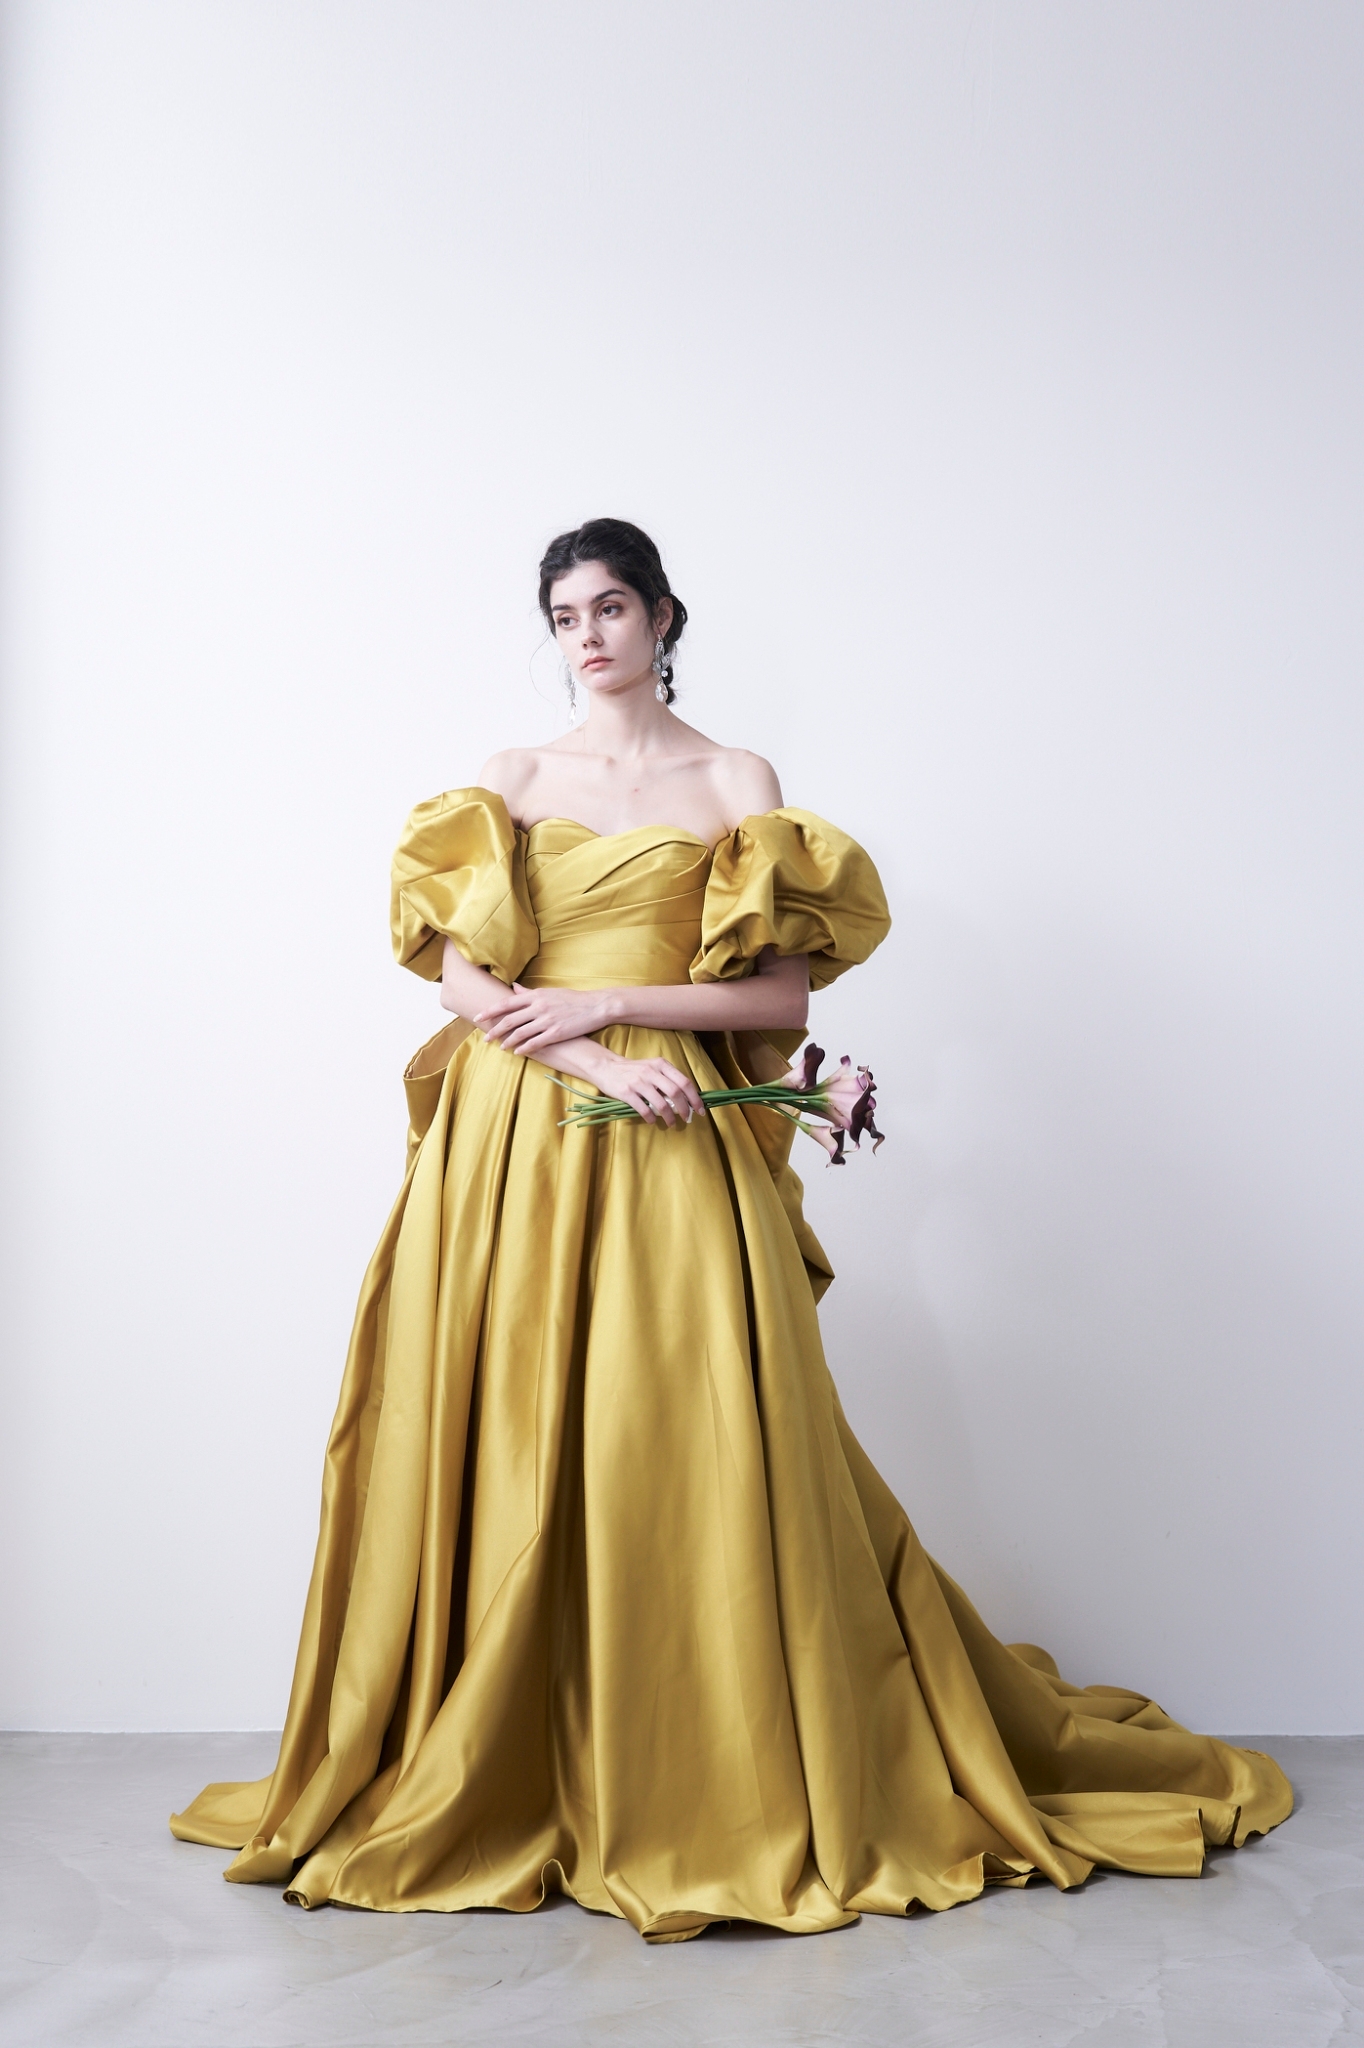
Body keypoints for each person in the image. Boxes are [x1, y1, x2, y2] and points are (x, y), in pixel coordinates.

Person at [172, 518, 1291, 1943]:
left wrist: (619, 1007)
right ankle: (514, 1754)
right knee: (511, 1420)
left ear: (662, 616)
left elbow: (780, 1002)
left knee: (682, 1424)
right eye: (565, 615)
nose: (587, 636)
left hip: (674, 1129)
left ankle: (697, 1757)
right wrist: (590, 1050)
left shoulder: (735, 781)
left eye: (610, 607)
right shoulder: (510, 777)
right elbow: (460, 982)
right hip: (523, 1129)